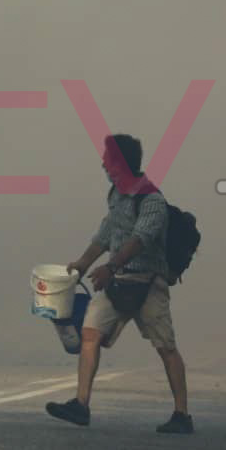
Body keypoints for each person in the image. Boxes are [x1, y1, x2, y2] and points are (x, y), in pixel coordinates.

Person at [45, 133, 194, 433]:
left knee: (166, 347)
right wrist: (82, 264)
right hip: (116, 283)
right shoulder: (116, 195)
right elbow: (107, 232)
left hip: (147, 283)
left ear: (120, 162)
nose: (103, 163)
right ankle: (81, 404)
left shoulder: (152, 200)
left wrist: (109, 267)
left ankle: (182, 415)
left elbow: (140, 240)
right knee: (89, 334)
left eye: (108, 158)